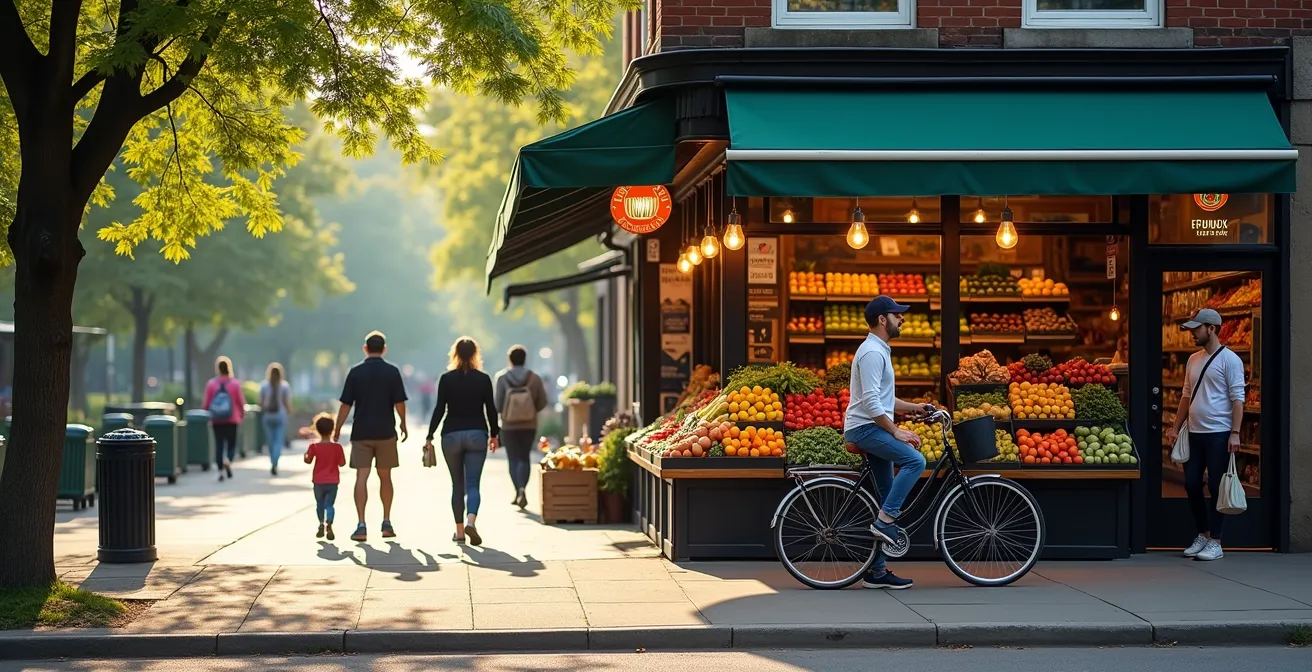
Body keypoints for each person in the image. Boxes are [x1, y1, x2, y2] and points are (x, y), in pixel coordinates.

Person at [843, 296, 936, 590]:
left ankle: (877, 571)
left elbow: (883, 398)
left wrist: (914, 407)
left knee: (886, 498)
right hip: (865, 429)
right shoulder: (872, 352)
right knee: (915, 460)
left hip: (871, 426)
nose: (903, 319)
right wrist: (896, 431)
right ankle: (884, 523)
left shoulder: (878, 350)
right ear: (883, 319)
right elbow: (871, 402)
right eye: (898, 314)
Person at [1165, 308, 1246, 562]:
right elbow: (1186, 396)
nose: (1192, 334)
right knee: (1190, 484)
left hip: (1219, 434)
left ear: (1211, 328)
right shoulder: (1193, 359)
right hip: (1195, 433)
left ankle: (1217, 540)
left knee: (1215, 486)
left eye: (1196, 329)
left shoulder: (1230, 360)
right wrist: (1175, 427)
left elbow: (1238, 400)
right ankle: (1203, 533)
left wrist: (1235, 433)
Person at [333, 331, 409, 542]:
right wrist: (403, 422)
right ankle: (386, 522)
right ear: (384, 349)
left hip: (362, 433)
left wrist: (337, 427)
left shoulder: (356, 372)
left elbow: (346, 403)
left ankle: (361, 525)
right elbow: (399, 402)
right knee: (385, 477)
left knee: (362, 477)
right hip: (386, 432)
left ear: (365, 348)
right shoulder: (392, 371)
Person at [425, 337, 500, 546]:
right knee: (473, 484)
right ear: (476, 353)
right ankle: (471, 521)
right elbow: (491, 409)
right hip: (477, 433)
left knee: (457, 485)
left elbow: (439, 408)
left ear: (455, 354)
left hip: (451, 435)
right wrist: (495, 434)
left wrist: (430, 435)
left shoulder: (446, 379)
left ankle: (459, 532)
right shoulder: (483, 379)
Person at [494, 345, 548, 509]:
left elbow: (497, 404)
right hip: (529, 424)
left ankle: (517, 490)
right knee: (524, 456)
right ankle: (523, 488)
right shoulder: (534, 378)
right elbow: (543, 401)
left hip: (508, 426)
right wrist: (531, 411)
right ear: (525, 359)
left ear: (510, 359)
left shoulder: (502, 378)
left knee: (513, 458)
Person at [304, 413, 346, 540]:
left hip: (318, 481)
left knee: (320, 504)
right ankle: (330, 524)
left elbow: (308, 461)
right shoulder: (337, 447)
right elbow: (342, 463)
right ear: (332, 429)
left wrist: (306, 455)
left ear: (317, 429)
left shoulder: (314, 446)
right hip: (333, 481)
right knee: (330, 505)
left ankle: (321, 523)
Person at [203, 356, 245, 483]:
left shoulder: (211, 384)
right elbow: (240, 402)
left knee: (219, 444)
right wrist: (242, 414)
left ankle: (220, 470)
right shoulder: (235, 384)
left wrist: (206, 413)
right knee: (231, 444)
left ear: (218, 369)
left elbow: (207, 403)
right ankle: (228, 460)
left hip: (217, 420)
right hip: (232, 419)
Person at [260, 362, 293, 476]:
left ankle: (272, 459)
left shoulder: (264, 386)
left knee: (270, 441)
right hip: (280, 415)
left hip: (268, 416)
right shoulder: (284, 386)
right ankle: (275, 461)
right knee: (278, 440)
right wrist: (289, 411)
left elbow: (261, 403)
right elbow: (287, 403)